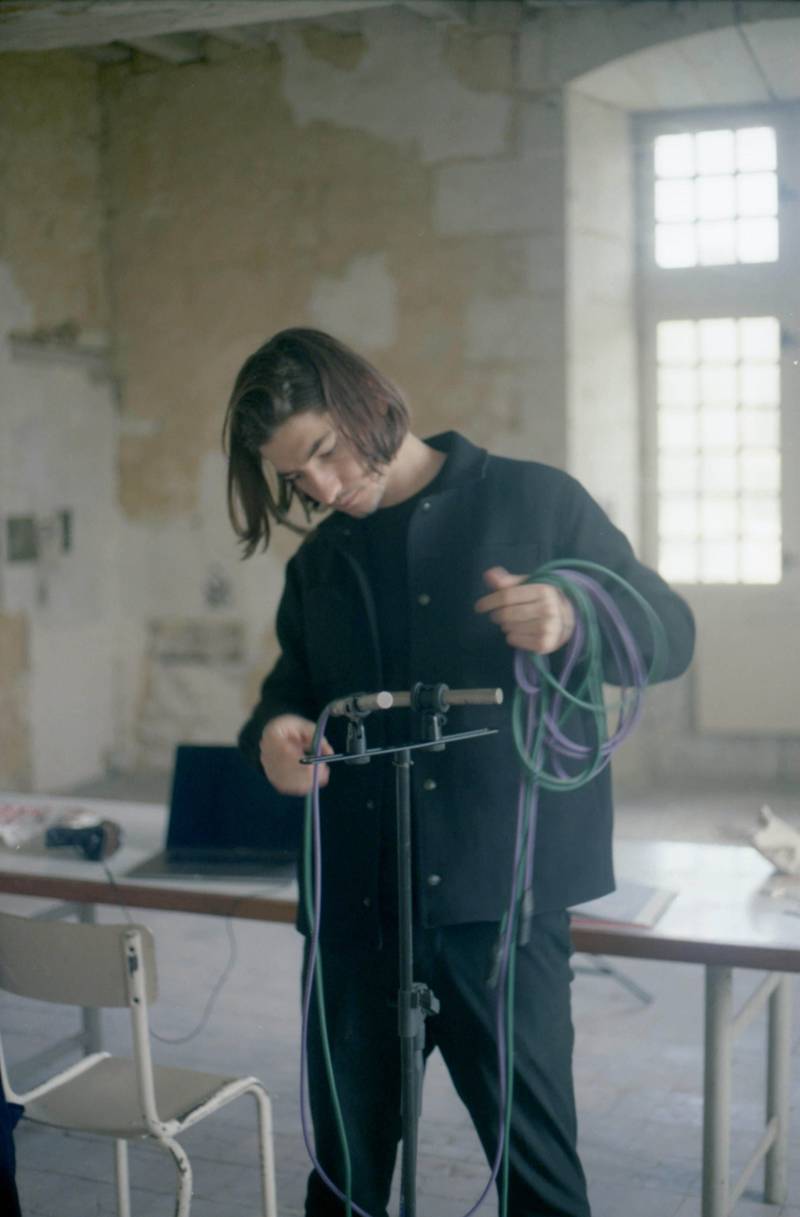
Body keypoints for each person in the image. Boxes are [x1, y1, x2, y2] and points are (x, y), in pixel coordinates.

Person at [224, 327, 695, 1217]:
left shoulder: (535, 499)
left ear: (368, 402)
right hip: (357, 916)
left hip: (501, 913)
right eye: (296, 478)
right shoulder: (318, 563)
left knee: (538, 1180)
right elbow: (288, 694)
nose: (323, 488)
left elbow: (671, 630)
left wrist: (573, 616)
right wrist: (276, 735)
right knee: (344, 1181)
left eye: (323, 452)